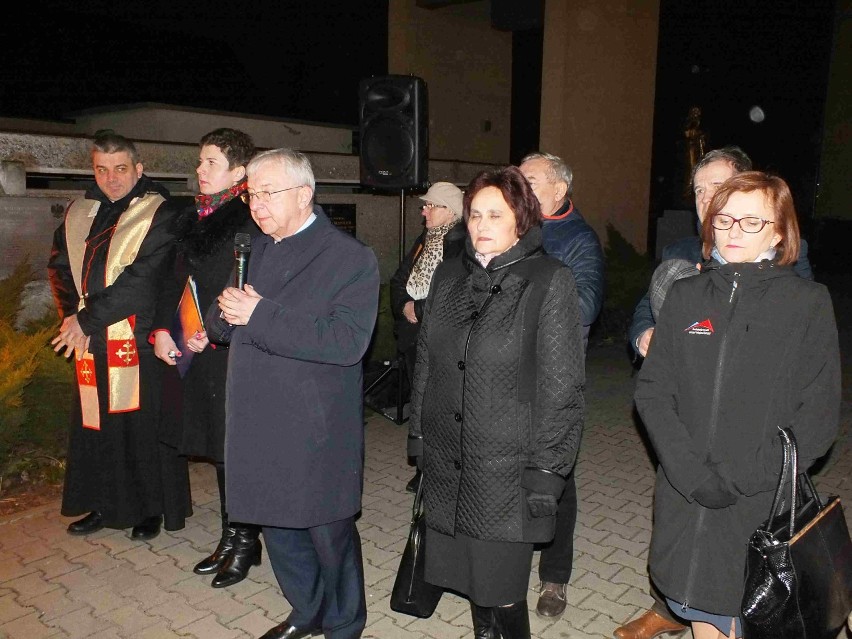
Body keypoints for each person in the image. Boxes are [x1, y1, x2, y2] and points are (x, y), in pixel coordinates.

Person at [634, 172, 840, 639]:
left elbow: (819, 418)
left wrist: (738, 477)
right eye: (725, 219)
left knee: (749, 612)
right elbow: (653, 391)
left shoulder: (806, 304)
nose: (733, 231)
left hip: (757, 504)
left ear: (780, 229)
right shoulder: (686, 296)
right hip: (687, 498)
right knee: (704, 614)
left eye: (751, 222)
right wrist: (690, 474)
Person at [205, 148, 379, 639]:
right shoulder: (253, 249)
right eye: (251, 194)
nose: (256, 205)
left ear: (305, 194)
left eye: (268, 193)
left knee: (328, 535)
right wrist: (221, 316)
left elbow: (347, 343)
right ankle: (307, 611)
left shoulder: (349, 257)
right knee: (277, 527)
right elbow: (225, 324)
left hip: (313, 426)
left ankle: (344, 625)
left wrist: (260, 314)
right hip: (255, 419)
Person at [408, 166, 585, 639]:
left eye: (496, 214)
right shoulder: (448, 276)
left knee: (501, 588)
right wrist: (420, 438)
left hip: (507, 470)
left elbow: (562, 388)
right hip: (450, 462)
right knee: (470, 580)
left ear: (521, 220)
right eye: (475, 215)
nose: (482, 225)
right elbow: (426, 360)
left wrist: (548, 471)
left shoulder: (549, 280)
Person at [47, 131, 191, 540]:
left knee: (140, 429)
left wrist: (85, 320)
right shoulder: (78, 212)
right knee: (97, 428)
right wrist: (69, 318)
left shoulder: (161, 213)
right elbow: (59, 269)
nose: (111, 178)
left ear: (138, 169)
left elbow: (142, 280)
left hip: (139, 337)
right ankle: (102, 504)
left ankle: (150, 509)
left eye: (120, 169)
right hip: (90, 340)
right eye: (102, 169)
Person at [151, 128, 261, 587]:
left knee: (235, 448)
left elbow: (248, 286)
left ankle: (245, 540)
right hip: (195, 346)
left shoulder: (250, 221)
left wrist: (213, 327)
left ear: (238, 171)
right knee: (219, 450)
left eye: (210, 162)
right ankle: (231, 537)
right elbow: (169, 281)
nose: (199, 170)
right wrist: (161, 327)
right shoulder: (192, 217)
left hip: (229, 348)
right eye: (199, 161)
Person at [519, 151, 604, 618]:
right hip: (506, 376)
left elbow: (586, 305)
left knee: (557, 480)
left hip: (553, 379)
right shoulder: (511, 226)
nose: (519, 186)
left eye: (529, 180)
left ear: (558, 190)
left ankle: (555, 577)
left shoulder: (578, 239)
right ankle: (505, 563)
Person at [388, 182, 466, 493]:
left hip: (439, 339)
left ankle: (439, 470)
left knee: (439, 410)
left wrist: (418, 308)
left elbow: (456, 291)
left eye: (432, 205)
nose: (424, 210)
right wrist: (403, 306)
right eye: (425, 205)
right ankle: (424, 467)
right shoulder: (425, 240)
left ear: (450, 211)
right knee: (419, 407)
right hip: (412, 338)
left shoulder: (462, 244)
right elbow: (398, 279)